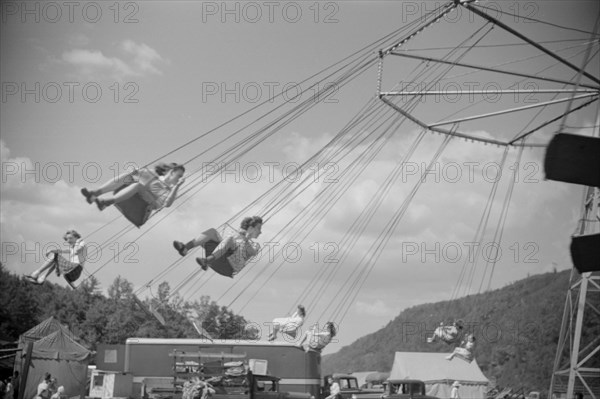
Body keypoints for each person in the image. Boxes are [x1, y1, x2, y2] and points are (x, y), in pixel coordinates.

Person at [173, 216, 263, 277]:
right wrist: (241, 235)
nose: (260, 232)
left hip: (228, 266)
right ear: (251, 228)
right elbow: (227, 243)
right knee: (212, 232)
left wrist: (246, 239)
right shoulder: (236, 235)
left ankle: (207, 261)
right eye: (258, 228)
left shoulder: (253, 246)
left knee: (230, 239)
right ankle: (185, 248)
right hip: (221, 257)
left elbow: (253, 252)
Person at [81, 162, 185, 211]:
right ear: (171, 172)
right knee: (130, 175)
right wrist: (135, 171)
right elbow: (137, 174)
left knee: (138, 185)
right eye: (179, 175)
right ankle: (95, 194)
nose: (179, 178)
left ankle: (106, 202)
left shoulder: (171, 190)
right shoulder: (155, 177)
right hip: (140, 192)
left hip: (149, 204)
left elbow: (166, 204)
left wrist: (177, 186)